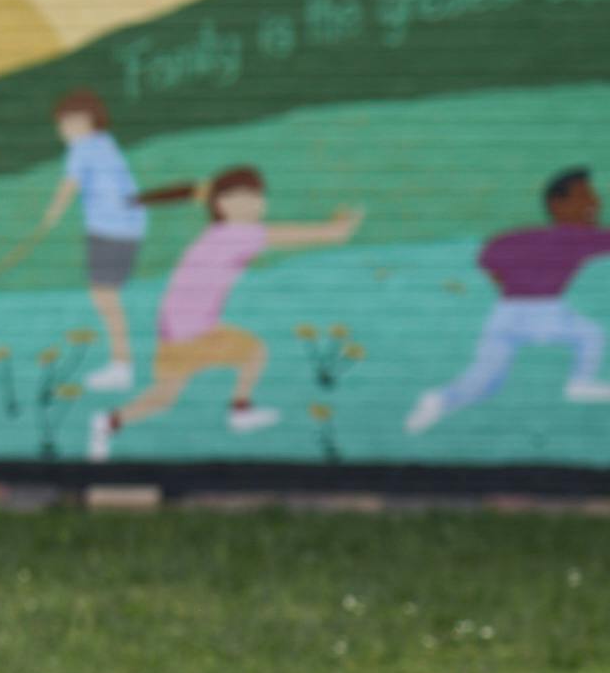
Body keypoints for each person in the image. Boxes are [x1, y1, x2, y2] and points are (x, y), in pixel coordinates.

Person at [89, 167, 359, 461]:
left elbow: (201, 192)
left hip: (176, 330)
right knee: (253, 351)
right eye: (243, 198)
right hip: (194, 333)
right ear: (221, 205)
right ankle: (239, 411)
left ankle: (109, 422)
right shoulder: (240, 234)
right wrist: (339, 228)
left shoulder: (220, 232)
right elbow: (310, 236)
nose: (254, 204)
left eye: (257, 197)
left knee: (163, 398)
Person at [406, 167, 610, 434]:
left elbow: (488, 258)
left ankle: (438, 400)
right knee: (590, 334)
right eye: (586, 196)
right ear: (557, 204)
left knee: (485, 380)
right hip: (544, 310)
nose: (596, 203)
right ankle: (580, 382)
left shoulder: (521, 237)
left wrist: (513, 289)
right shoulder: (577, 237)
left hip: (507, 312)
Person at [38, 89, 194, 391]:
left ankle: (122, 365)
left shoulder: (82, 149)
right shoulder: (105, 143)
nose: (61, 130)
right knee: (107, 296)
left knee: (105, 297)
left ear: (83, 121)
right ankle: (124, 362)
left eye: (65, 123)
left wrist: (51, 215)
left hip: (108, 230)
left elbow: (69, 186)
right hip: (130, 228)